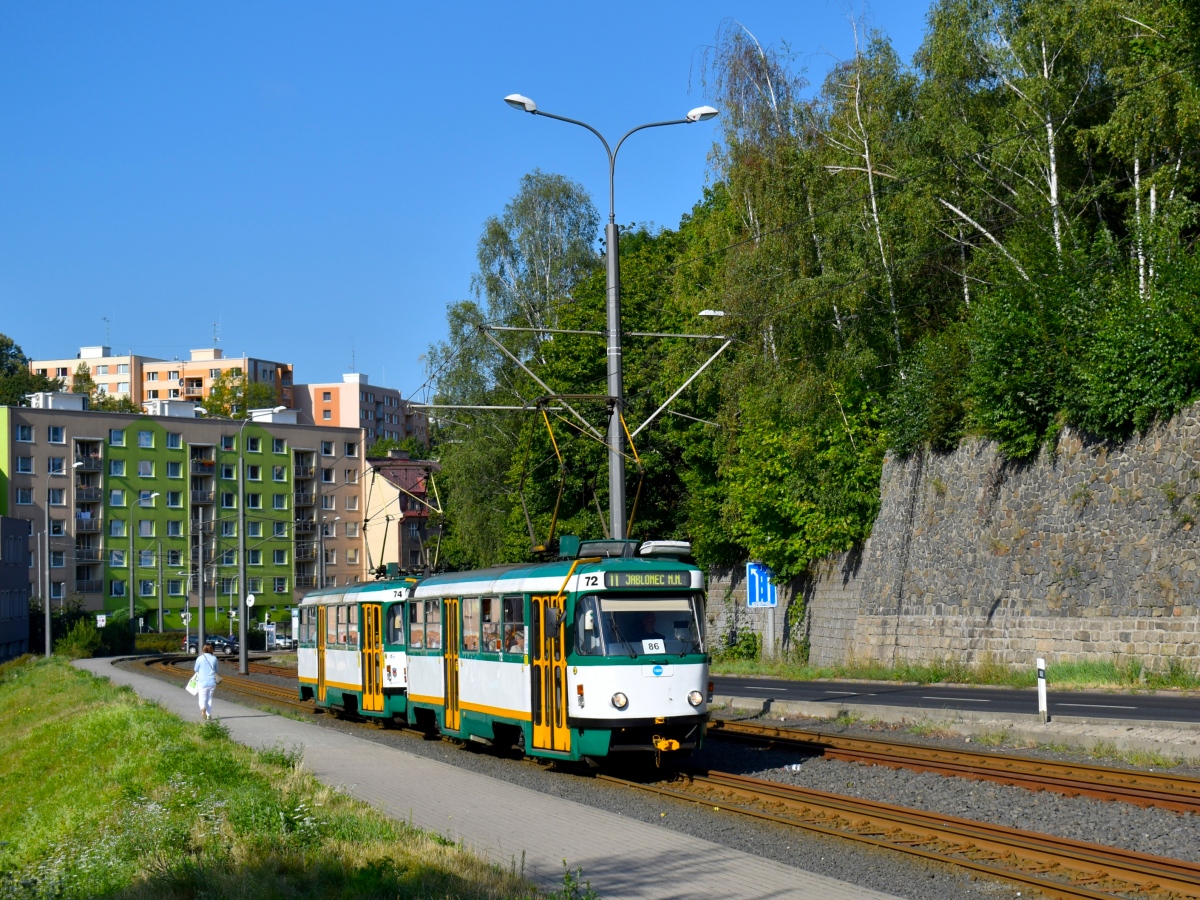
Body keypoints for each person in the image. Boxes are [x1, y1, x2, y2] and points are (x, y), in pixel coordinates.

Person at [193, 643, 219, 721]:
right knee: (209, 698)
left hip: (202, 681)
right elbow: (216, 670)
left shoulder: (200, 658)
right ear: (211, 649)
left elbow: (195, 669)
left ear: (203, 649)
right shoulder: (214, 658)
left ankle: (203, 708)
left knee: (202, 697)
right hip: (212, 682)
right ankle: (208, 715)